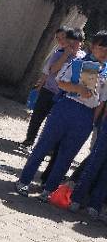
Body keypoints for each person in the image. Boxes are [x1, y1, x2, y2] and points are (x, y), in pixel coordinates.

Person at [17, 31, 107, 200]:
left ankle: (49, 190)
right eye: (102, 47)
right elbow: (60, 82)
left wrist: (92, 122)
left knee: (67, 154)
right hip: (66, 107)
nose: (105, 52)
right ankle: (24, 180)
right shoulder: (78, 62)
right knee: (44, 145)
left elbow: (102, 101)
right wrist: (78, 88)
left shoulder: (106, 72)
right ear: (92, 46)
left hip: (86, 115)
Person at [20, 28, 85, 151]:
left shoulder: (83, 57)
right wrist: (65, 55)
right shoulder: (59, 53)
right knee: (37, 117)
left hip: (64, 95)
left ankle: (48, 147)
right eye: (70, 41)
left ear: (81, 43)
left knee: (55, 123)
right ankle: (29, 140)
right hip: (49, 90)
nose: (72, 44)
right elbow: (52, 70)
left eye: (75, 41)